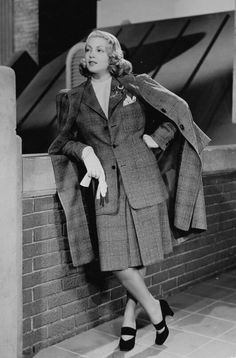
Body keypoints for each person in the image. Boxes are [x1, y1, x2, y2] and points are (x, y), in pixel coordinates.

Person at [49, 30, 210, 350]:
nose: (90, 55)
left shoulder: (136, 85)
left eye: (99, 50)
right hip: (105, 189)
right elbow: (62, 141)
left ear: (112, 56)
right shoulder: (72, 98)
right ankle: (153, 308)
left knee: (138, 257)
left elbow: (178, 112)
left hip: (144, 180)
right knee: (118, 259)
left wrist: (157, 138)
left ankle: (127, 319)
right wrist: (85, 151)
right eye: (87, 50)